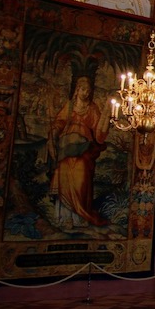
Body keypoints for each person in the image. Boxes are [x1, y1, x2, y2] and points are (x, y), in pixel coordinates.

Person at [47, 71, 110, 227]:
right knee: (63, 176)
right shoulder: (69, 106)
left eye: (88, 90)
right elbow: (59, 123)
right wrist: (53, 134)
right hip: (66, 150)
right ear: (77, 90)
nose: (86, 93)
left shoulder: (92, 108)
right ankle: (64, 217)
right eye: (83, 90)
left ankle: (79, 216)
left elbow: (99, 133)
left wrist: (106, 118)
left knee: (81, 178)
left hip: (84, 150)